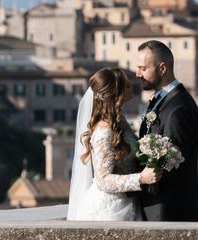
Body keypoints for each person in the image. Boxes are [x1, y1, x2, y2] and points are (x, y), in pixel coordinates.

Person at [67, 67, 160, 220]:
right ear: (115, 93)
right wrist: (140, 178)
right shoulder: (104, 132)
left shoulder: (118, 120)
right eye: (127, 85)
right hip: (111, 210)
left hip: (128, 201)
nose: (132, 83)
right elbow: (103, 180)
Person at [136, 40, 198, 221]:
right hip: (157, 206)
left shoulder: (178, 108)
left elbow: (174, 164)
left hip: (166, 209)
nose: (137, 74)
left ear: (162, 68)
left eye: (143, 68)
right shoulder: (163, 100)